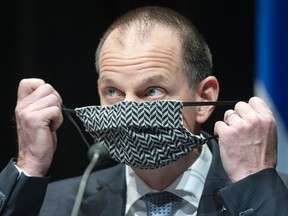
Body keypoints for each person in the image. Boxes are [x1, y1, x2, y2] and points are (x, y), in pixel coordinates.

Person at [0, 5, 288, 216]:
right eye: (112, 92)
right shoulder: (54, 206)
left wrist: (253, 183)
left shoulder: (272, 198)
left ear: (205, 98)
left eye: (151, 91)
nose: (128, 111)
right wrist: (30, 164)